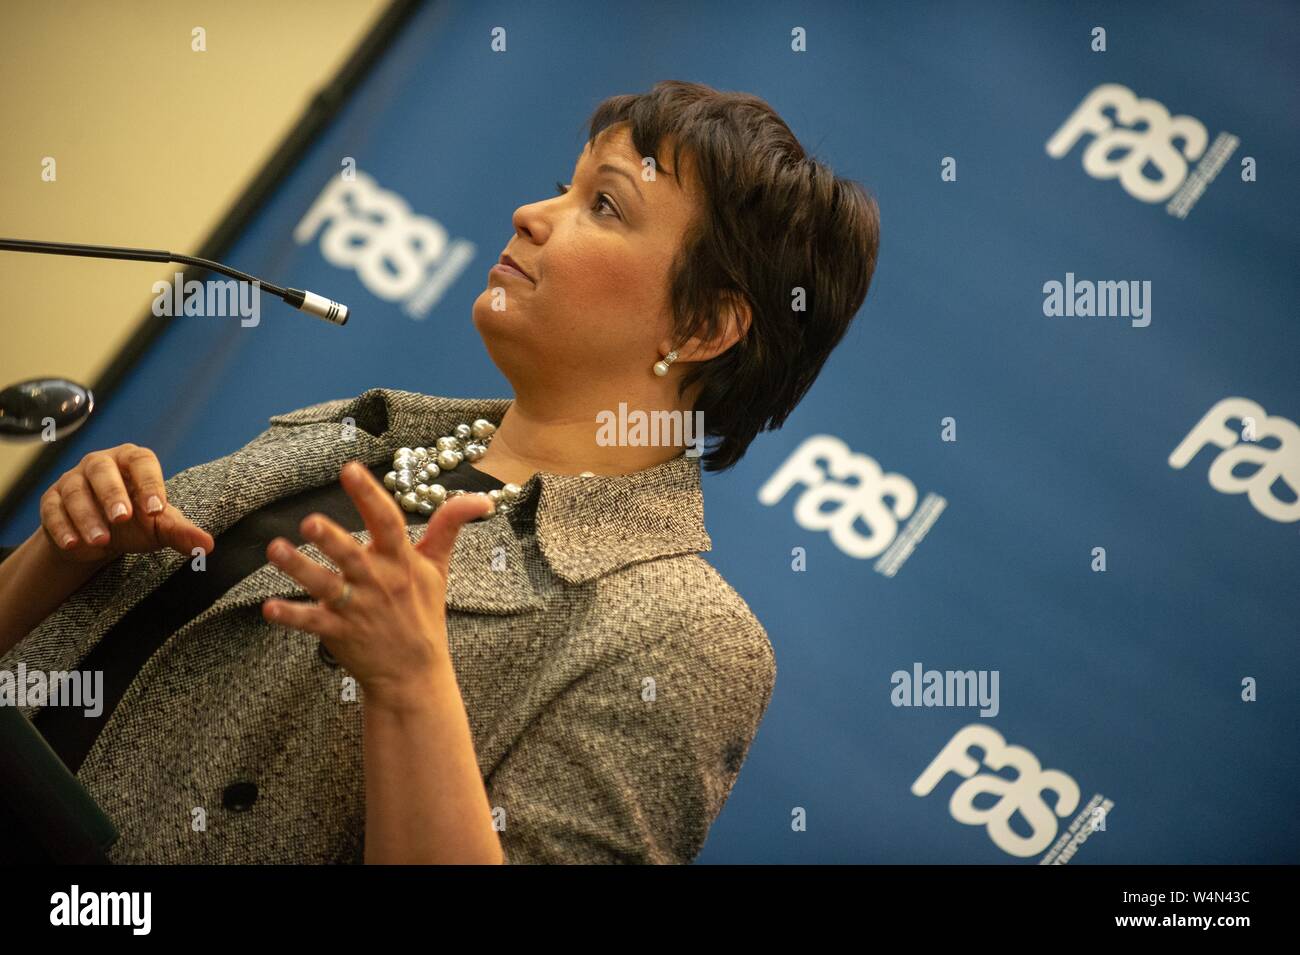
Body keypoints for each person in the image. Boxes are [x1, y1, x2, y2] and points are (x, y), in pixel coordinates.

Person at [0, 80, 880, 863]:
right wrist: (59, 556)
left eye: (603, 206)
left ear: (703, 331)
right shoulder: (356, 430)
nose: (532, 214)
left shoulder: (685, 636)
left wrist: (411, 682)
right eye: (564, 184)